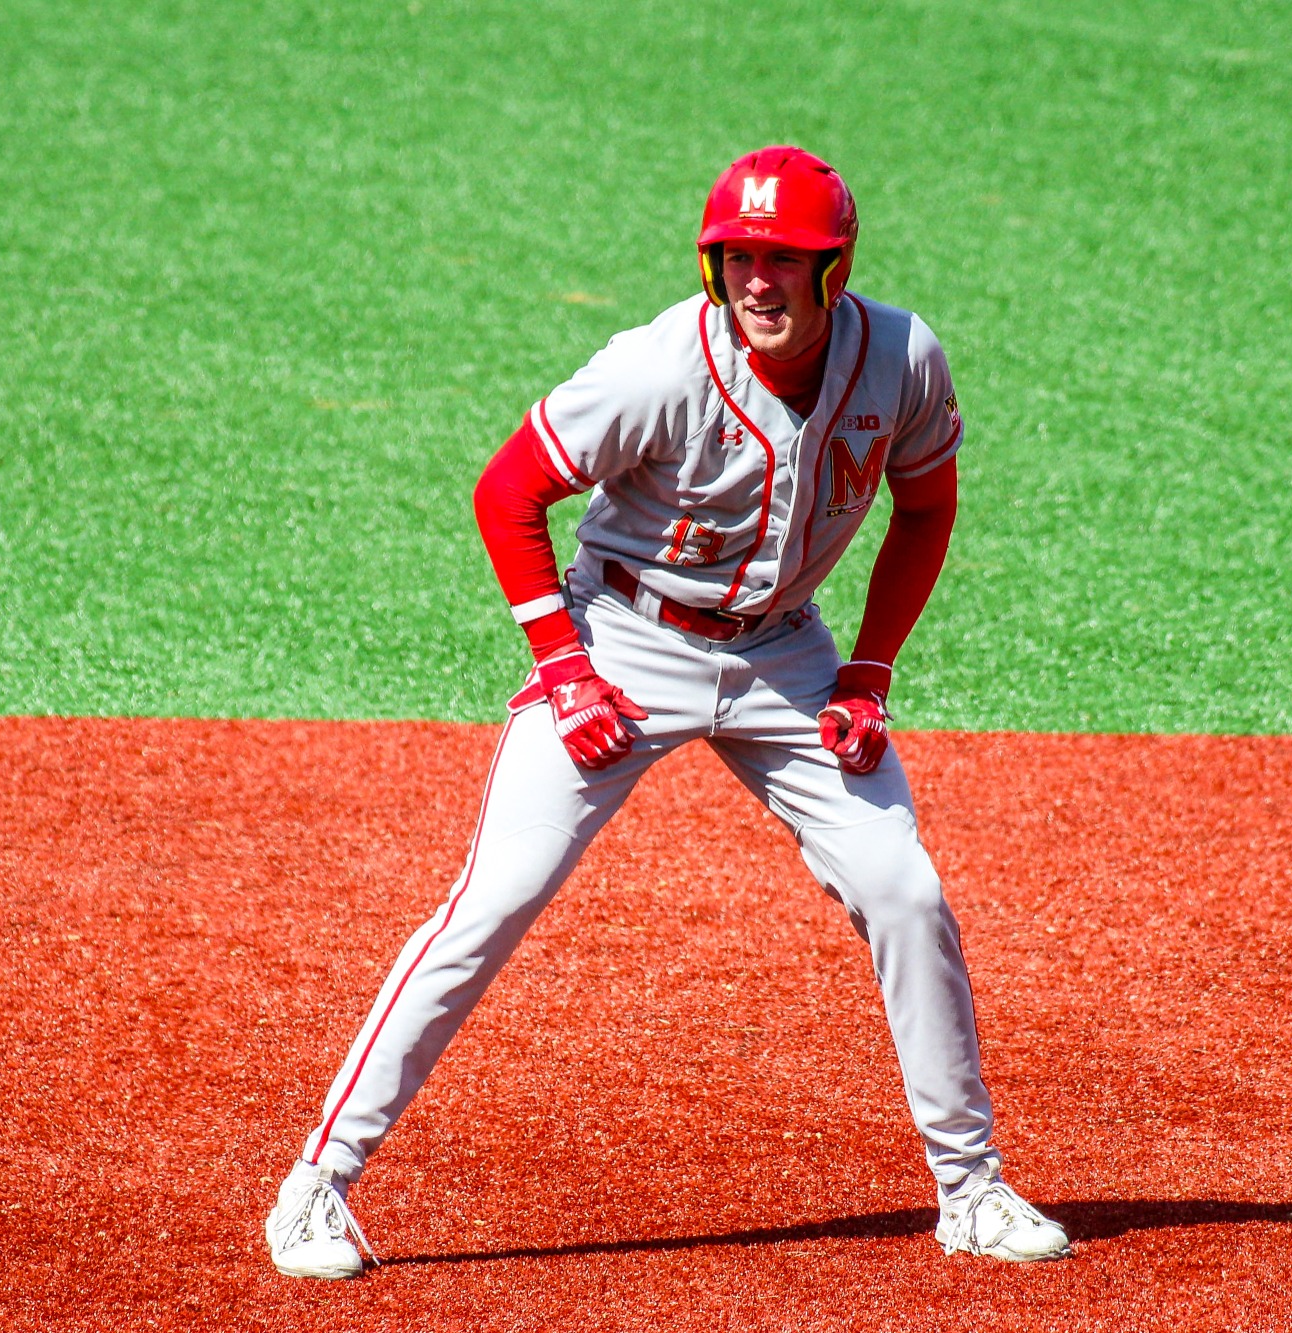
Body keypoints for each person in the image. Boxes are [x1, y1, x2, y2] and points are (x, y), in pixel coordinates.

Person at [264, 146, 1071, 1278]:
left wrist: (868, 670)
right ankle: (318, 1184)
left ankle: (969, 1189)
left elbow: (924, 506)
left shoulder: (900, 359)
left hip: (787, 654)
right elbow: (507, 491)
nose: (757, 279)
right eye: (737, 255)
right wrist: (565, 668)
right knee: (493, 899)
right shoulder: (654, 369)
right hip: (623, 641)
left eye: (783, 259)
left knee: (905, 889)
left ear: (832, 270)